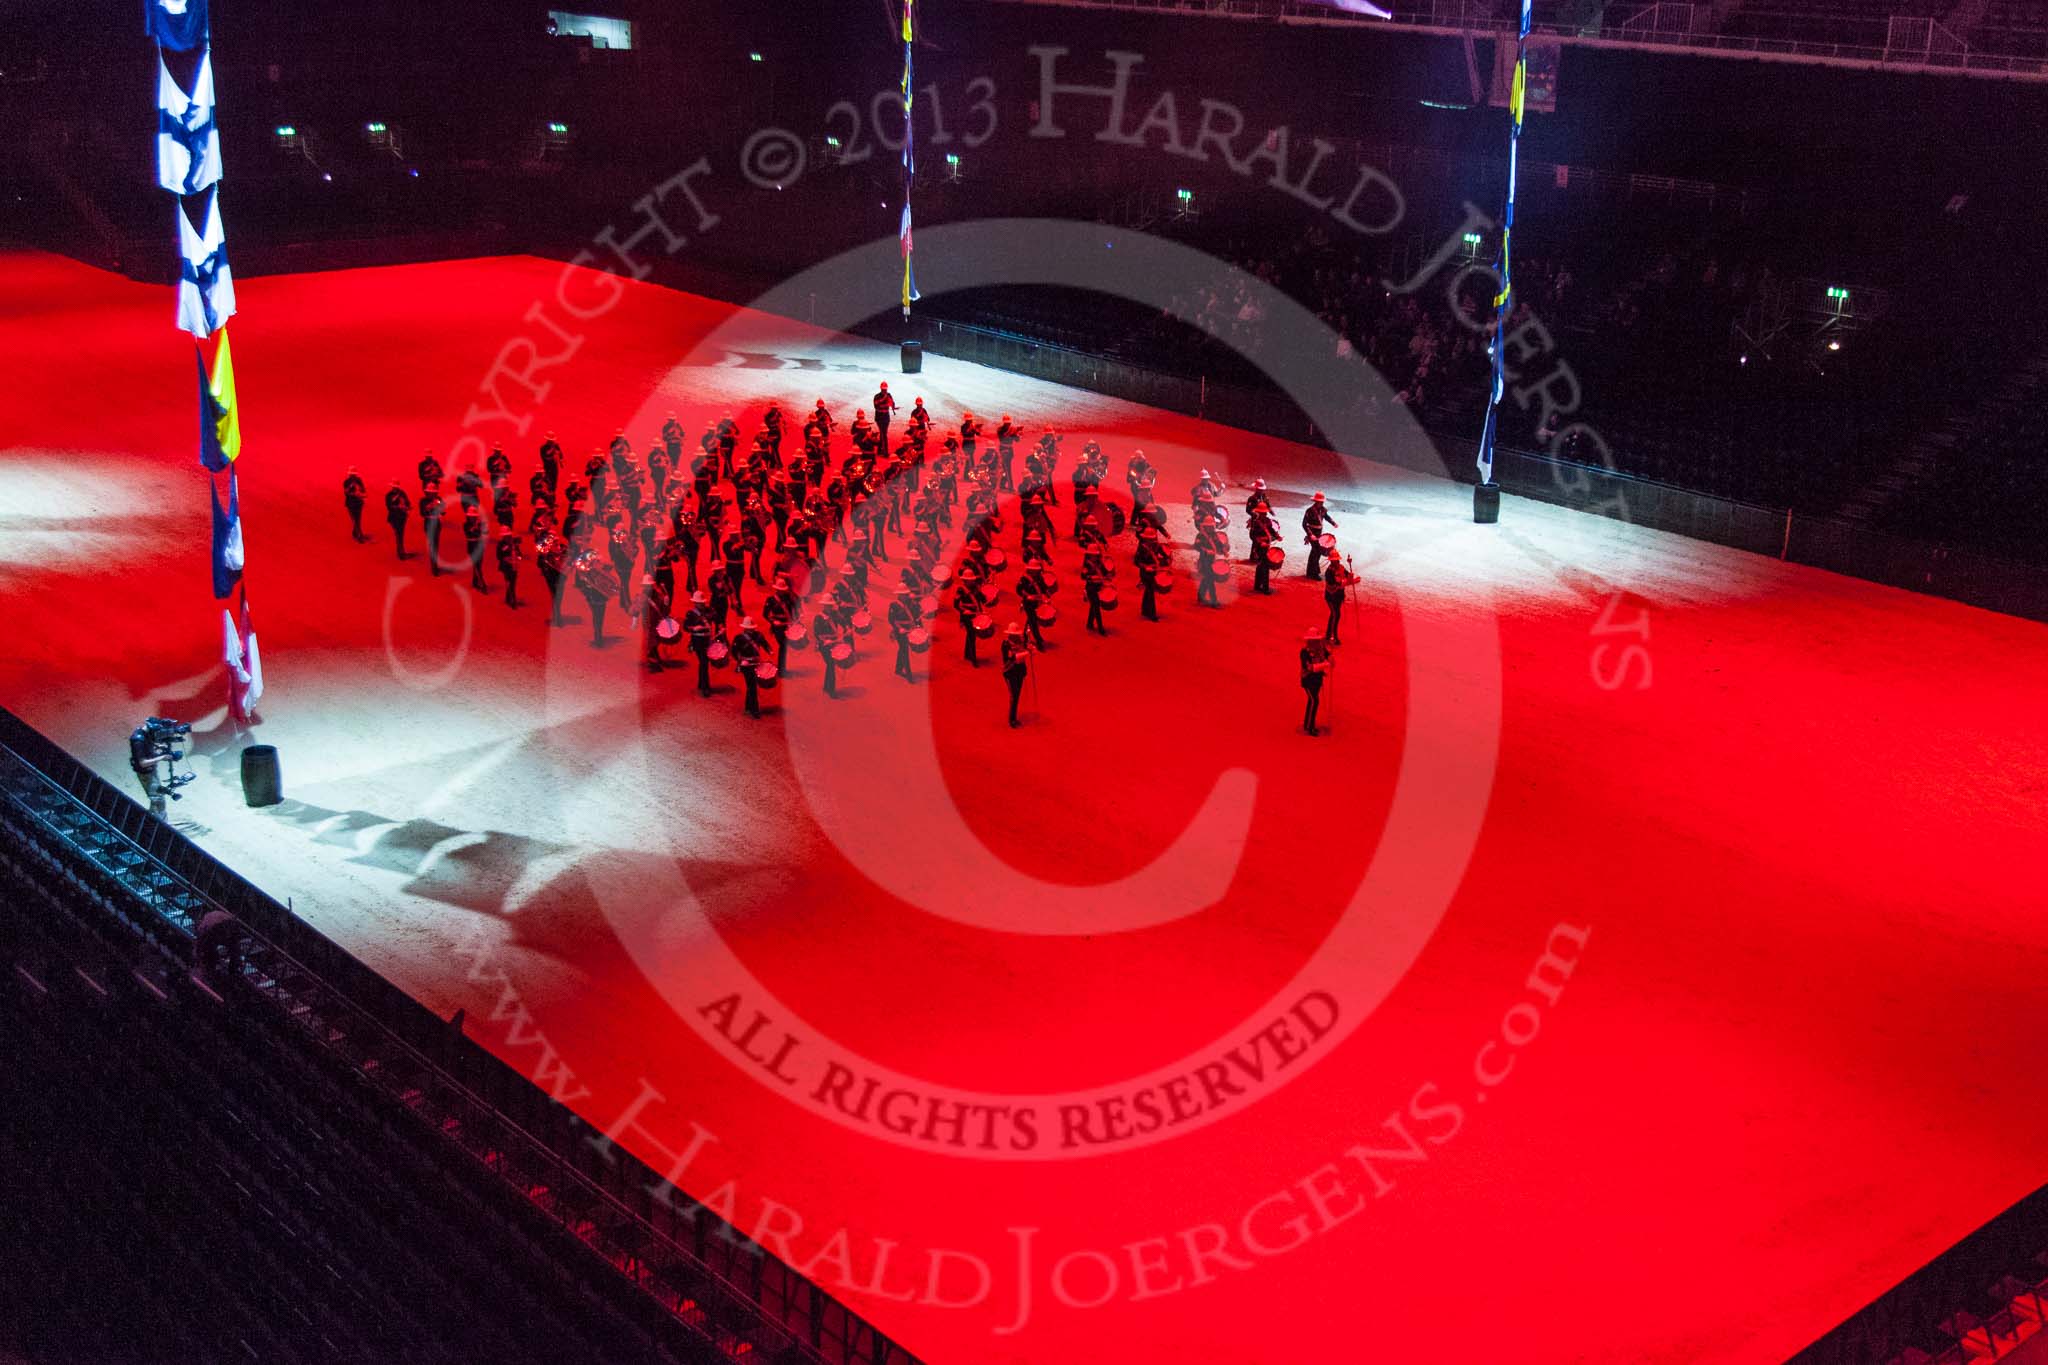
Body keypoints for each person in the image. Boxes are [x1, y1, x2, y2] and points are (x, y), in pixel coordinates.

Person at [731, 615, 771, 717]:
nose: (751, 630)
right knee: (752, 686)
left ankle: (748, 706)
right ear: (744, 628)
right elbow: (734, 652)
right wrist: (740, 661)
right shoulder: (739, 638)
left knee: (751, 686)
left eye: (752, 628)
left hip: (756, 663)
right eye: (749, 629)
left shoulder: (758, 635)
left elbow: (764, 643)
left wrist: (769, 650)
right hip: (746, 665)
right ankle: (754, 709)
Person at [682, 589, 716, 695]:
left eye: (702, 603)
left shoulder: (709, 611)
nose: (701, 605)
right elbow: (685, 627)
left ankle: (702, 684)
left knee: (704, 663)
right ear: (695, 603)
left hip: (707, 639)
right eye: (699, 603)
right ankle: (705, 687)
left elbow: (717, 619)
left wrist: (720, 626)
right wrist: (693, 628)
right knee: (704, 662)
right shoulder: (691, 614)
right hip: (697, 641)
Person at [1300, 630, 1333, 736]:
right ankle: (1310, 727)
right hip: (1309, 681)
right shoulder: (1304, 652)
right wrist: (1326, 664)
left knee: (1312, 701)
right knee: (1314, 701)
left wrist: (1331, 658)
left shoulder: (1321, 649)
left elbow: (1328, 656)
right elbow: (1310, 668)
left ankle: (1307, 724)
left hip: (1317, 680)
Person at [1134, 527, 1169, 622]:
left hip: (1154, 572)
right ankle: (1152, 614)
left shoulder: (1156, 546)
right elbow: (1136, 561)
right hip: (1145, 573)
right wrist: (1144, 566)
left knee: (1148, 592)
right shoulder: (1142, 548)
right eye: (1149, 539)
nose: (1150, 541)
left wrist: (1166, 558)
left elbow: (1164, 555)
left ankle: (1145, 610)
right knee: (1150, 592)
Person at [1322, 550, 1356, 644]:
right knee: (1335, 615)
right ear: (1331, 561)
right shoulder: (1329, 572)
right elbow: (1334, 584)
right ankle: (1333, 636)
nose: (1337, 562)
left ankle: (1330, 635)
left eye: (1337, 560)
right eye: (1335, 560)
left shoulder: (1341, 567)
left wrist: (1350, 576)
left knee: (1334, 615)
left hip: (1339, 596)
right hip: (1331, 597)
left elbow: (1346, 574)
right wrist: (1345, 582)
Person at [1303, 492, 1339, 580]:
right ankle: (1314, 573)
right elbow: (1304, 524)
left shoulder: (1323, 509)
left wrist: (1333, 523)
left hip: (1319, 533)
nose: (1321, 503)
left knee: (1314, 553)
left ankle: (1310, 572)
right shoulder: (1309, 511)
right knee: (1316, 552)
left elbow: (1326, 517)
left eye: (1322, 502)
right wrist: (1310, 534)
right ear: (1316, 501)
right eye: (1320, 502)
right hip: (1312, 533)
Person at [1001, 623, 1031, 728]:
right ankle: (1012, 719)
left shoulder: (1021, 642)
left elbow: (1028, 648)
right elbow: (1012, 658)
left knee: (1017, 694)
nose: (1016, 636)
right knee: (1014, 696)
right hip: (1010, 672)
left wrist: (1030, 649)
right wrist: (1026, 653)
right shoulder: (1006, 645)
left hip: (1020, 671)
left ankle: (1014, 716)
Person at [886, 586, 918, 682]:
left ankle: (898, 669)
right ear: (899, 595)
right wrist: (899, 629)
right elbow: (891, 619)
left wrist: (915, 604)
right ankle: (909, 674)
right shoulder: (894, 605)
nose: (905, 596)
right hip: (899, 631)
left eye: (906, 594)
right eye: (903, 594)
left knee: (902, 649)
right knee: (905, 649)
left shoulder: (910, 603)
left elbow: (914, 614)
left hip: (908, 629)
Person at [1081, 546, 1114, 635]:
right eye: (1093, 555)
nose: (1095, 557)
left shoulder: (1100, 563)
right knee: (1096, 606)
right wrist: (1091, 577)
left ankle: (1089, 623)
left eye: (1096, 555)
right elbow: (1083, 576)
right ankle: (1100, 627)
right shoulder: (1087, 565)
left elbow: (1105, 572)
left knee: (1094, 606)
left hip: (1099, 587)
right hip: (1091, 588)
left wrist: (1108, 575)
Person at [420, 487, 446, 575]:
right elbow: (422, 513)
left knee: (436, 545)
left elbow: (443, 512)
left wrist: (439, 507)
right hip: (428, 522)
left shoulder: (438, 499)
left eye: (434, 492)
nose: (432, 494)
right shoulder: (423, 501)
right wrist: (428, 507)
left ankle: (435, 564)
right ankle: (433, 566)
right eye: (431, 492)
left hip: (436, 523)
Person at [463, 509, 490, 592]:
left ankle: (475, 581)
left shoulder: (479, 523)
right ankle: (481, 583)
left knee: (479, 564)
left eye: (474, 517)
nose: (473, 518)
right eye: (472, 517)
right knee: (476, 565)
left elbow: (486, 532)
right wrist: (476, 527)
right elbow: (469, 533)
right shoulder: (466, 524)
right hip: (472, 545)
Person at [385, 480, 412, 560]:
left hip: (402, 517)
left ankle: (401, 552)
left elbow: (407, 502)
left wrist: (407, 507)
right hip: (394, 517)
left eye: (396, 487)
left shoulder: (402, 493)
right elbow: (389, 506)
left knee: (400, 534)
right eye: (394, 487)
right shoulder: (389, 495)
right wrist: (398, 507)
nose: (395, 489)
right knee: (398, 535)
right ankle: (401, 553)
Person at [496, 531, 523, 607]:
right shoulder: (501, 544)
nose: (508, 537)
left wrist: (518, 557)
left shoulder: (514, 544)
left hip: (514, 565)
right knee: (508, 581)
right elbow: (498, 556)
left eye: (509, 536)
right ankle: (512, 599)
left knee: (513, 582)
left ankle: (508, 598)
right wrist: (506, 558)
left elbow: (520, 553)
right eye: (506, 536)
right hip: (505, 566)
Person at [343, 467, 369, 542]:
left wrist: (362, 494)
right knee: (354, 520)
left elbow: (363, 489)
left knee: (358, 519)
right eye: (352, 475)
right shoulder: (346, 482)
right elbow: (346, 492)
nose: (353, 476)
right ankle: (359, 535)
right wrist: (352, 488)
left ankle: (356, 533)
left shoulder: (359, 480)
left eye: (354, 475)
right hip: (350, 503)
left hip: (359, 503)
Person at [872, 381, 896, 452]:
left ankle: (879, 450)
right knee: (883, 434)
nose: (884, 391)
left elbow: (893, 404)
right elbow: (876, 406)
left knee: (883, 433)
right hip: (879, 417)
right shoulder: (877, 396)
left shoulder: (889, 395)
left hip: (886, 416)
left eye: (885, 389)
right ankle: (885, 451)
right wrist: (884, 400)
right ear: (881, 389)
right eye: (883, 389)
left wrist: (892, 404)